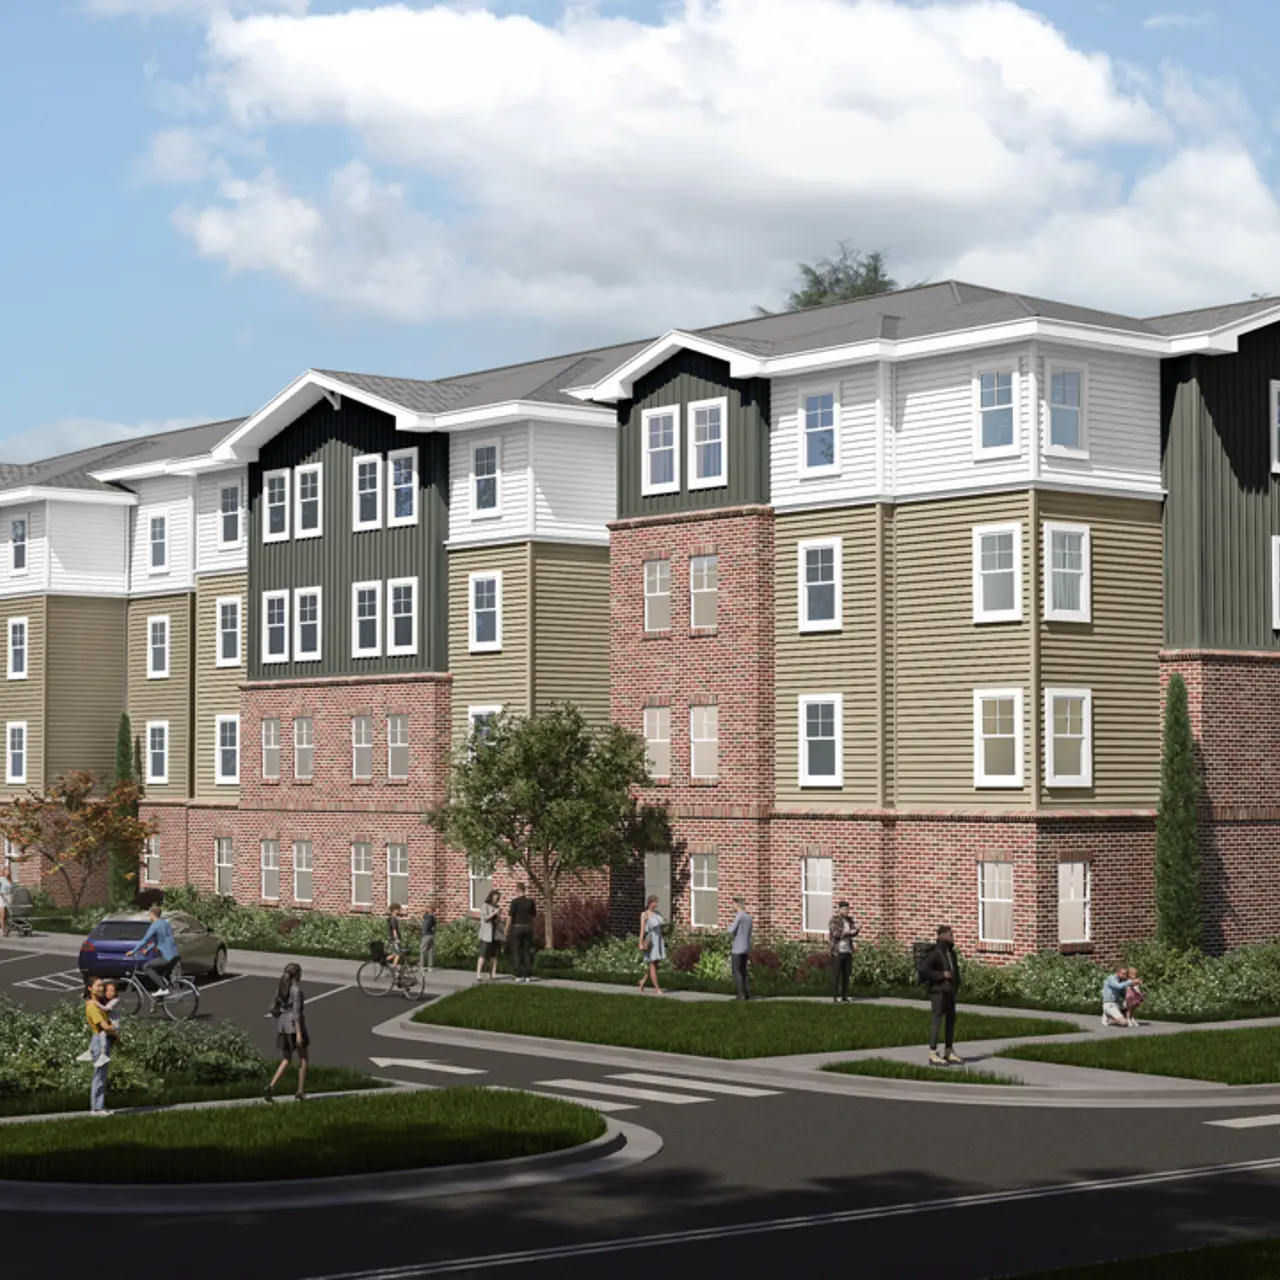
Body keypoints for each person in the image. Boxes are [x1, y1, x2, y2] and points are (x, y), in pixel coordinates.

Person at [921, 924, 964, 1066]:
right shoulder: (935, 952)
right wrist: (941, 975)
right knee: (937, 1021)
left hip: (950, 991)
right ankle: (933, 1052)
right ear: (943, 936)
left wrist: (956, 984)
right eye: (951, 935)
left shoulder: (950, 952)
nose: (953, 938)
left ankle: (949, 1050)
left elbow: (954, 969)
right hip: (938, 991)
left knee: (951, 1021)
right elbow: (923, 970)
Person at [265, 963, 308, 1102]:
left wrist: (281, 1015)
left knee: (286, 1059)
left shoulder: (281, 988)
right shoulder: (296, 990)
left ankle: (271, 1086)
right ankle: (300, 1091)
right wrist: (299, 1033)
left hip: (282, 1025)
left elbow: (272, 1007)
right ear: (296, 974)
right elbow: (297, 1013)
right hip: (293, 1027)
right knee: (303, 1058)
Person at [125, 903, 180, 997]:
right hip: (175, 956)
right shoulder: (166, 923)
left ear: (152, 914)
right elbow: (160, 941)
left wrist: (133, 951)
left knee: (147, 967)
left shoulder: (154, 926)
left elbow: (144, 940)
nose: (149, 916)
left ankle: (164, 988)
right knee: (160, 976)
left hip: (166, 957)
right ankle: (159, 1001)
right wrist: (147, 949)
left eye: (149, 914)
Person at [84, 976, 117, 1116]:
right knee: (99, 1076)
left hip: (101, 1040)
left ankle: (100, 1106)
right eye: (98, 986)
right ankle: (96, 1108)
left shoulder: (98, 1003)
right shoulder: (92, 1007)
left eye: (102, 986)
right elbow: (104, 1026)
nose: (102, 988)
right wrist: (116, 1035)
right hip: (99, 1041)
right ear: (90, 988)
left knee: (101, 1075)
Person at [828, 899, 860, 1003]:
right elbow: (836, 934)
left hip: (847, 950)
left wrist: (857, 930)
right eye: (843, 909)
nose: (846, 911)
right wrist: (849, 932)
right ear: (839, 909)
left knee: (846, 974)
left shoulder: (849, 920)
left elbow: (853, 933)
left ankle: (844, 996)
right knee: (836, 975)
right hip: (837, 951)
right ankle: (835, 997)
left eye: (847, 909)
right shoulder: (834, 920)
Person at [508, 883, 537, 984]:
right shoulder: (530, 902)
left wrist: (507, 930)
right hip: (528, 927)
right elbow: (534, 915)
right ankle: (528, 975)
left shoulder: (514, 902)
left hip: (517, 927)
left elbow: (510, 917)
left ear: (518, 890)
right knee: (527, 951)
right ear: (525, 890)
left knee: (516, 951)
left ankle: (518, 975)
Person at [637, 895, 665, 995]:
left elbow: (661, 926)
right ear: (650, 902)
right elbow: (642, 930)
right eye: (655, 902)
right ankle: (657, 989)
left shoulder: (657, 914)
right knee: (652, 964)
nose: (656, 904)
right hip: (651, 941)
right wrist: (640, 942)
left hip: (658, 940)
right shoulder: (644, 914)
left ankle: (642, 982)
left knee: (655, 965)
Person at [728, 896, 752, 1000]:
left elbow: (731, 930)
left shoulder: (739, 916)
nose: (732, 906)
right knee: (744, 970)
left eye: (733, 904)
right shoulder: (748, 917)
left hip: (737, 947)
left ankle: (740, 994)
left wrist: (728, 927)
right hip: (746, 946)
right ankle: (746, 993)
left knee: (736, 970)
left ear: (738, 904)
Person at [476, 889, 502, 980]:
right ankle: (478, 973)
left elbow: (499, 921)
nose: (496, 900)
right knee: (483, 954)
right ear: (491, 897)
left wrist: (499, 915)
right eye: (494, 898)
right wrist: (494, 913)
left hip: (495, 933)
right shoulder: (484, 906)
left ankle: (493, 973)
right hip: (486, 933)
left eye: (497, 899)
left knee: (494, 955)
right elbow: (486, 918)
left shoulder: (497, 907)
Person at [387, 901, 406, 982]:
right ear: (394, 910)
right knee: (398, 953)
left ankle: (385, 960)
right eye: (398, 909)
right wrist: (397, 939)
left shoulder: (392, 918)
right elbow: (394, 929)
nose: (399, 911)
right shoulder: (393, 919)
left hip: (393, 938)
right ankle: (393, 967)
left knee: (396, 953)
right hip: (394, 938)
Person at [419, 903, 437, 974]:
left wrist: (423, 910)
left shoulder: (429, 917)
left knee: (422, 950)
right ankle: (430, 967)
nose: (426, 909)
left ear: (430, 909)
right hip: (431, 935)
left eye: (428, 908)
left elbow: (422, 915)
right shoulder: (433, 917)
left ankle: (422, 966)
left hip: (427, 935)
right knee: (430, 950)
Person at [0, 861, 11, 938]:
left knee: (7, 916)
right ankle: (3, 931)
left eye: (9, 870)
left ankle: (6, 928)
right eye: (7, 870)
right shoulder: (1, 879)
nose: (8, 872)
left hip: (8, 898)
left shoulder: (10, 880)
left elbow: (11, 890)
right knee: (3, 915)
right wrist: (2, 896)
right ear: (4, 871)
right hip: (2, 897)